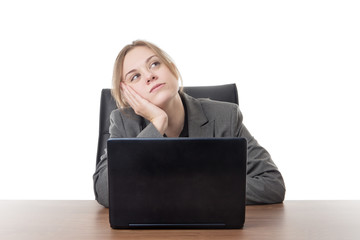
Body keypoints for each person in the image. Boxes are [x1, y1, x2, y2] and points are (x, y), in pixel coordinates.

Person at [93, 40, 286, 207]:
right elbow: (105, 191)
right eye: (135, 76)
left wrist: (191, 189)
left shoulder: (225, 117)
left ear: (172, 69)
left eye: (154, 64)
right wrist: (157, 124)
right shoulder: (123, 122)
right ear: (127, 94)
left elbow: (272, 184)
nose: (149, 76)